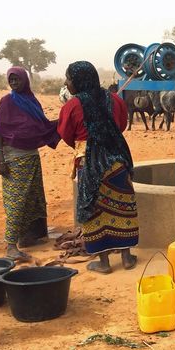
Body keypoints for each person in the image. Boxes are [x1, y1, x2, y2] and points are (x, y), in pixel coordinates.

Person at [57, 61, 138, 274]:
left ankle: (103, 263)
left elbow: (65, 133)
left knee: (93, 210)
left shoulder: (72, 105)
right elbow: (121, 125)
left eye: (69, 78)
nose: (66, 82)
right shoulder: (114, 100)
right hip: (118, 160)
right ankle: (127, 257)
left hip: (90, 163)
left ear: (79, 81)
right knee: (122, 207)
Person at [0, 67, 60, 259]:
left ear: (25, 80)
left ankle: (27, 237)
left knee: (33, 198)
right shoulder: (6, 101)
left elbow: (43, 126)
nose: (14, 83)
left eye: (17, 79)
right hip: (13, 158)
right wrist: (0, 159)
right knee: (17, 201)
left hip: (31, 157)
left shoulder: (32, 101)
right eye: (11, 80)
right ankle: (11, 246)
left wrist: (65, 118)